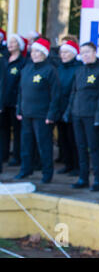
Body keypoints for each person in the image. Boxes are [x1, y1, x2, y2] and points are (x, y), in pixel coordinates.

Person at [64, 42, 99, 191]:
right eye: (82, 52)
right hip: (77, 114)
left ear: (94, 52)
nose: (85, 55)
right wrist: (69, 111)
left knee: (94, 148)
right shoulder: (79, 70)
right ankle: (83, 178)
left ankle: (97, 180)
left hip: (91, 116)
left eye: (88, 52)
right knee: (81, 147)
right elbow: (73, 92)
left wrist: (98, 118)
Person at [15, 38, 60, 183]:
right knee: (26, 144)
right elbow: (20, 91)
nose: (33, 54)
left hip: (42, 115)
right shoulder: (27, 68)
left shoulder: (50, 70)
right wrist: (19, 109)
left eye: (37, 51)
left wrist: (51, 114)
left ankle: (47, 174)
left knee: (44, 146)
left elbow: (55, 94)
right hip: (26, 113)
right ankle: (25, 170)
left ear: (44, 53)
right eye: (33, 51)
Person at [0, 34, 28, 167]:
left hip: (15, 101)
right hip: (3, 101)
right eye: (9, 42)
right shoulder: (4, 59)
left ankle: (16, 156)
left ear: (19, 45)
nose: (10, 45)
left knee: (17, 131)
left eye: (13, 42)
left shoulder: (23, 62)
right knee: (3, 129)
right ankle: (3, 154)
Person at [55, 40, 82, 176]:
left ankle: (77, 166)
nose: (63, 55)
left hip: (73, 109)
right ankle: (68, 164)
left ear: (73, 53)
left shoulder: (78, 68)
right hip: (60, 107)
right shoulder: (59, 68)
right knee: (63, 138)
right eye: (62, 53)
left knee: (73, 139)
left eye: (66, 52)